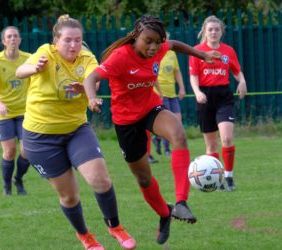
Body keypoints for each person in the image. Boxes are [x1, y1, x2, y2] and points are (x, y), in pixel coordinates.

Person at [83, 15, 221, 245]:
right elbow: (92, 77)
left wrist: (203, 55)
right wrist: (91, 98)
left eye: (158, 41)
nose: (154, 47)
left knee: (178, 134)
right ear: (136, 36)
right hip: (126, 122)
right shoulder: (120, 57)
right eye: (148, 41)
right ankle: (165, 214)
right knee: (144, 178)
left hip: (150, 108)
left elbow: (174, 44)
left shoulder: (158, 48)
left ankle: (181, 203)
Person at [15, 15, 136, 250]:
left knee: (99, 179)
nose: (73, 45)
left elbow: (94, 79)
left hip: (76, 130)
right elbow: (20, 71)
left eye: (78, 40)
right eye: (68, 40)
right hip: (40, 139)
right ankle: (86, 237)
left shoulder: (86, 57)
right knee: (69, 196)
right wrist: (34, 67)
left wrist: (89, 93)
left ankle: (115, 227)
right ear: (56, 41)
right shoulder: (45, 53)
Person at [189, 15, 247, 191]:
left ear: (221, 32)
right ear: (205, 32)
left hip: (223, 96)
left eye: (217, 29)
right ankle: (216, 179)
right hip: (205, 96)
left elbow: (237, 71)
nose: (214, 32)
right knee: (211, 144)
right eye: (210, 29)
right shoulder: (197, 50)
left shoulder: (228, 51)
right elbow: (193, 76)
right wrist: (197, 92)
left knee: (227, 137)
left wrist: (242, 81)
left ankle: (229, 177)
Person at [0, 26, 31, 196]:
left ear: (20, 40)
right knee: (10, 151)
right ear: (3, 41)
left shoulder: (29, 59)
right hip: (1, 112)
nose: (12, 39)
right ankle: (7, 187)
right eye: (9, 37)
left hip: (25, 112)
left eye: (15, 36)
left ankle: (18, 179)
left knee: (28, 151)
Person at [152, 47, 186, 157]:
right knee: (168, 123)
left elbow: (177, 71)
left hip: (172, 93)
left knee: (178, 122)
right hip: (160, 93)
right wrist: (157, 92)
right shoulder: (153, 53)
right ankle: (167, 150)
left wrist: (181, 88)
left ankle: (157, 138)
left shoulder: (172, 53)